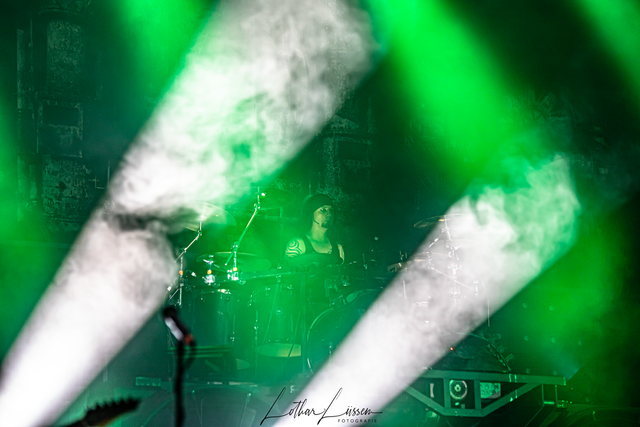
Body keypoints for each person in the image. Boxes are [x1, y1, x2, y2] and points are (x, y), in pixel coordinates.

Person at [284, 193, 345, 262]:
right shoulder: (298, 244)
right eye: (323, 210)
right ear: (311, 213)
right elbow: (288, 267)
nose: (329, 214)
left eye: (331, 210)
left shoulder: (338, 248)